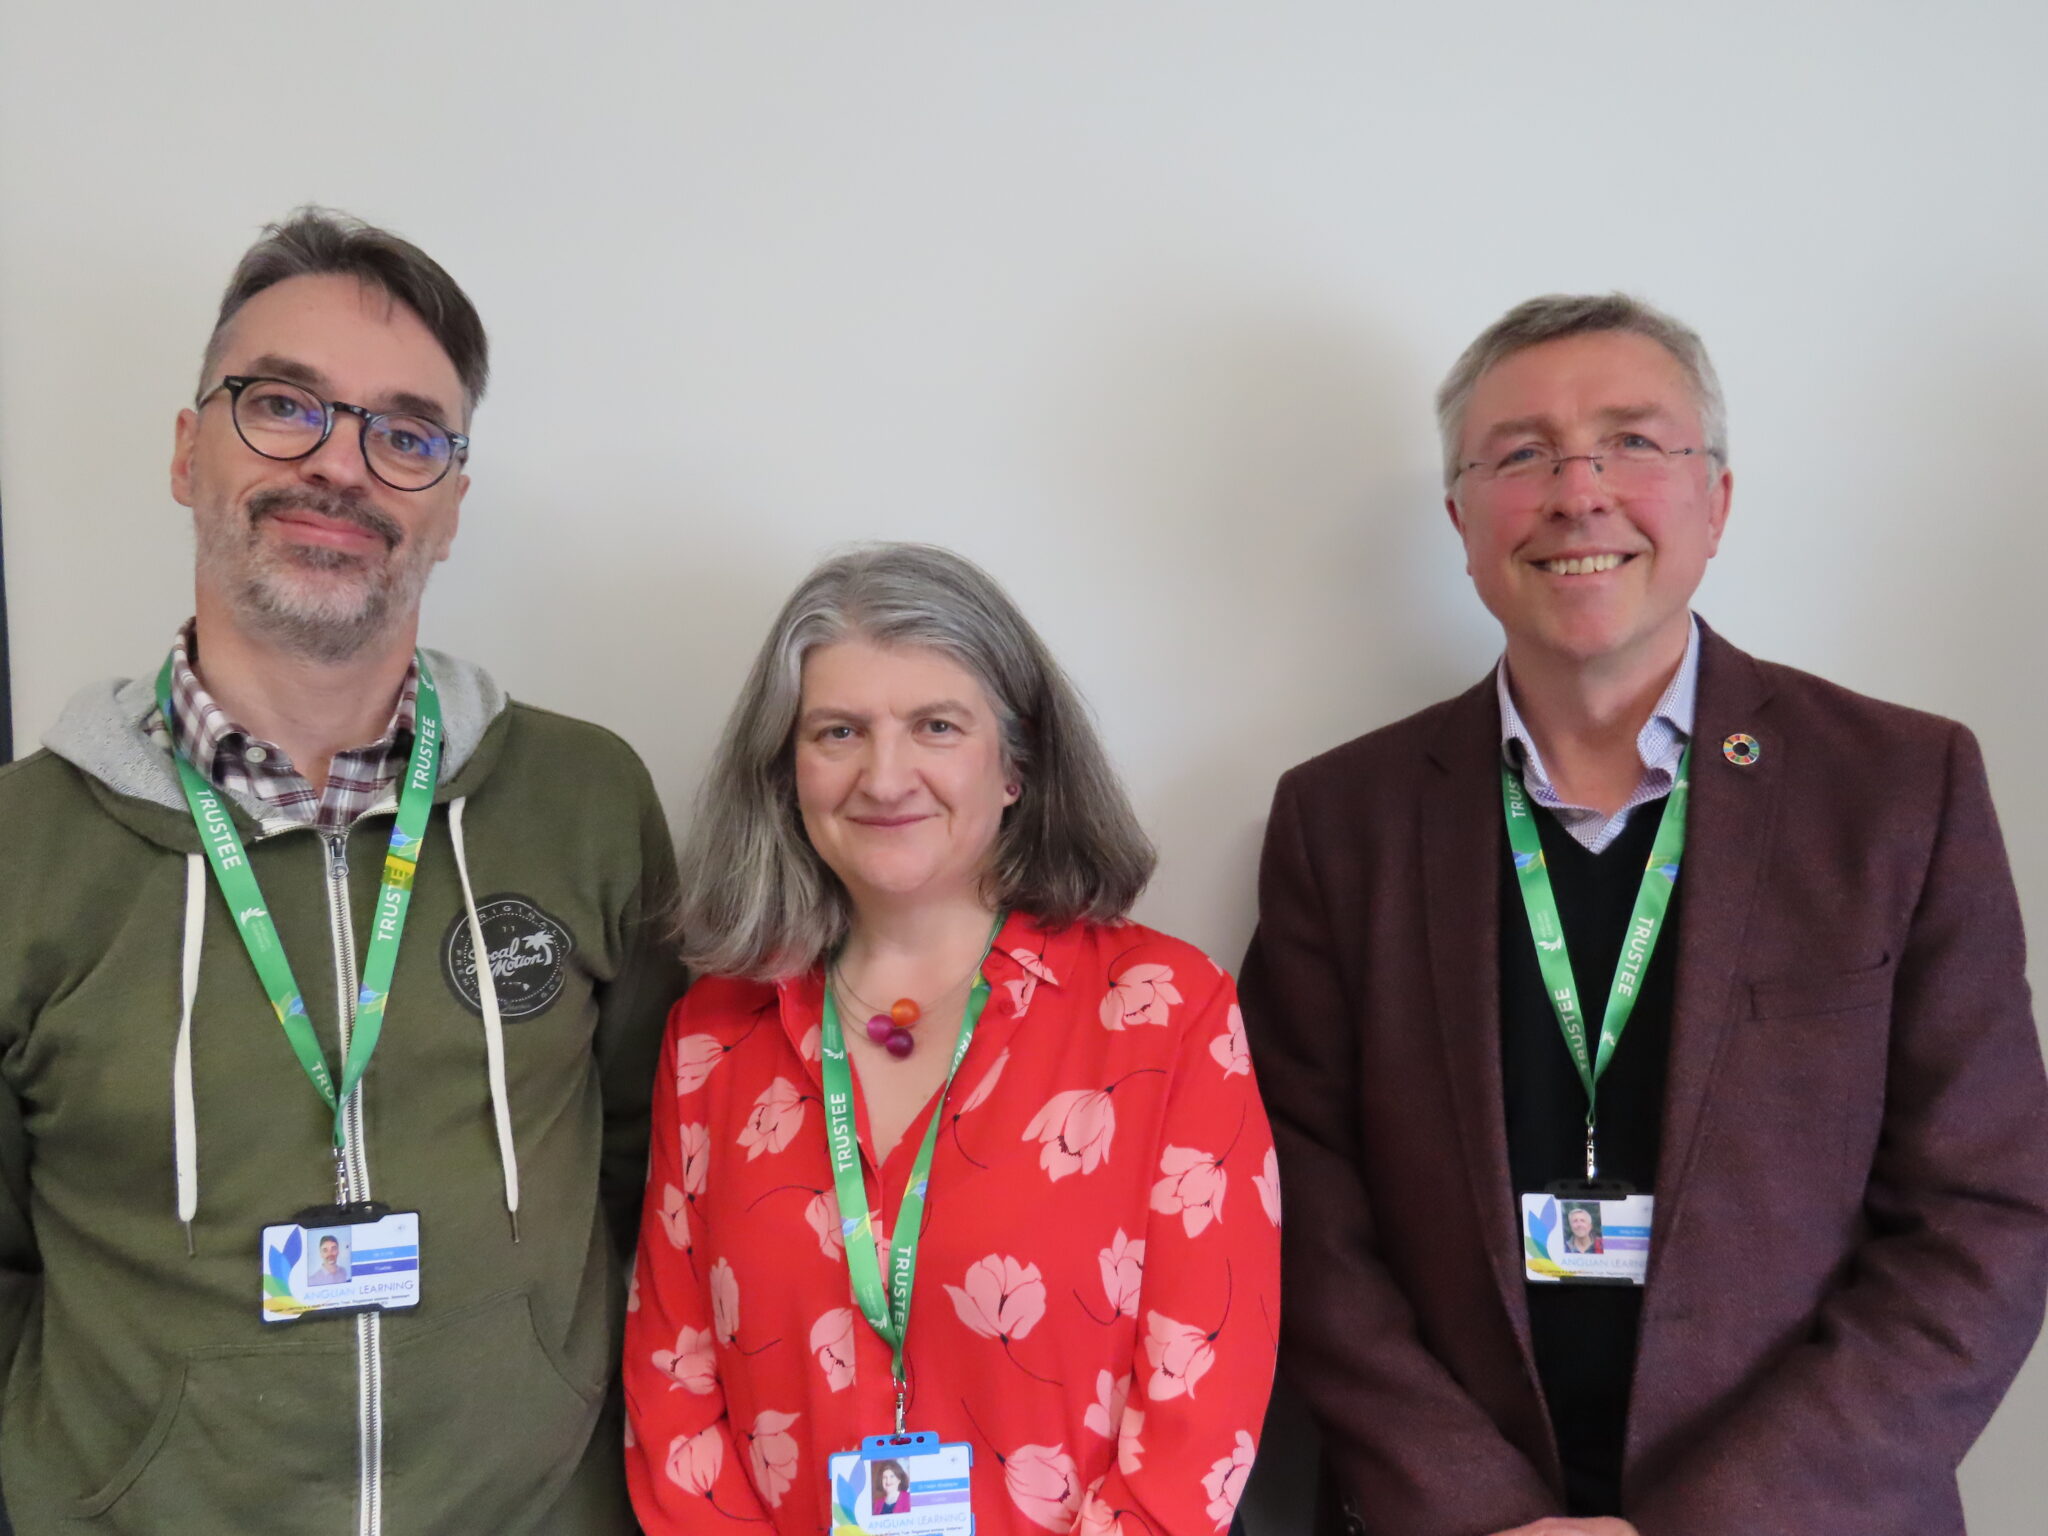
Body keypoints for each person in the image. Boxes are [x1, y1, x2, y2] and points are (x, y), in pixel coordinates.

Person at [1240, 293, 2048, 1536]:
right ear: (1460, 521)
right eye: (1521, 454)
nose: (1578, 492)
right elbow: (1299, 1210)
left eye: (1631, 442)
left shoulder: (1897, 789)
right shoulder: (1339, 821)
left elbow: (1984, 1215)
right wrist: (1472, 1508)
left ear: (1714, 502)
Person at [0, 209, 683, 1534]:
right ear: (189, 449)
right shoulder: (23, 848)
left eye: (406, 432)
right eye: (284, 406)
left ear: (452, 502)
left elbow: (654, 1173)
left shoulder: (585, 801)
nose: (341, 466)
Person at [623, 544, 1279, 1533]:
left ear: (1015, 765)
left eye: (936, 726)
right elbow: (674, 1394)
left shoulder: (1165, 1011)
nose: (884, 777)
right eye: (836, 731)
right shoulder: (712, 1036)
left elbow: (1202, 1400)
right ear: (784, 771)